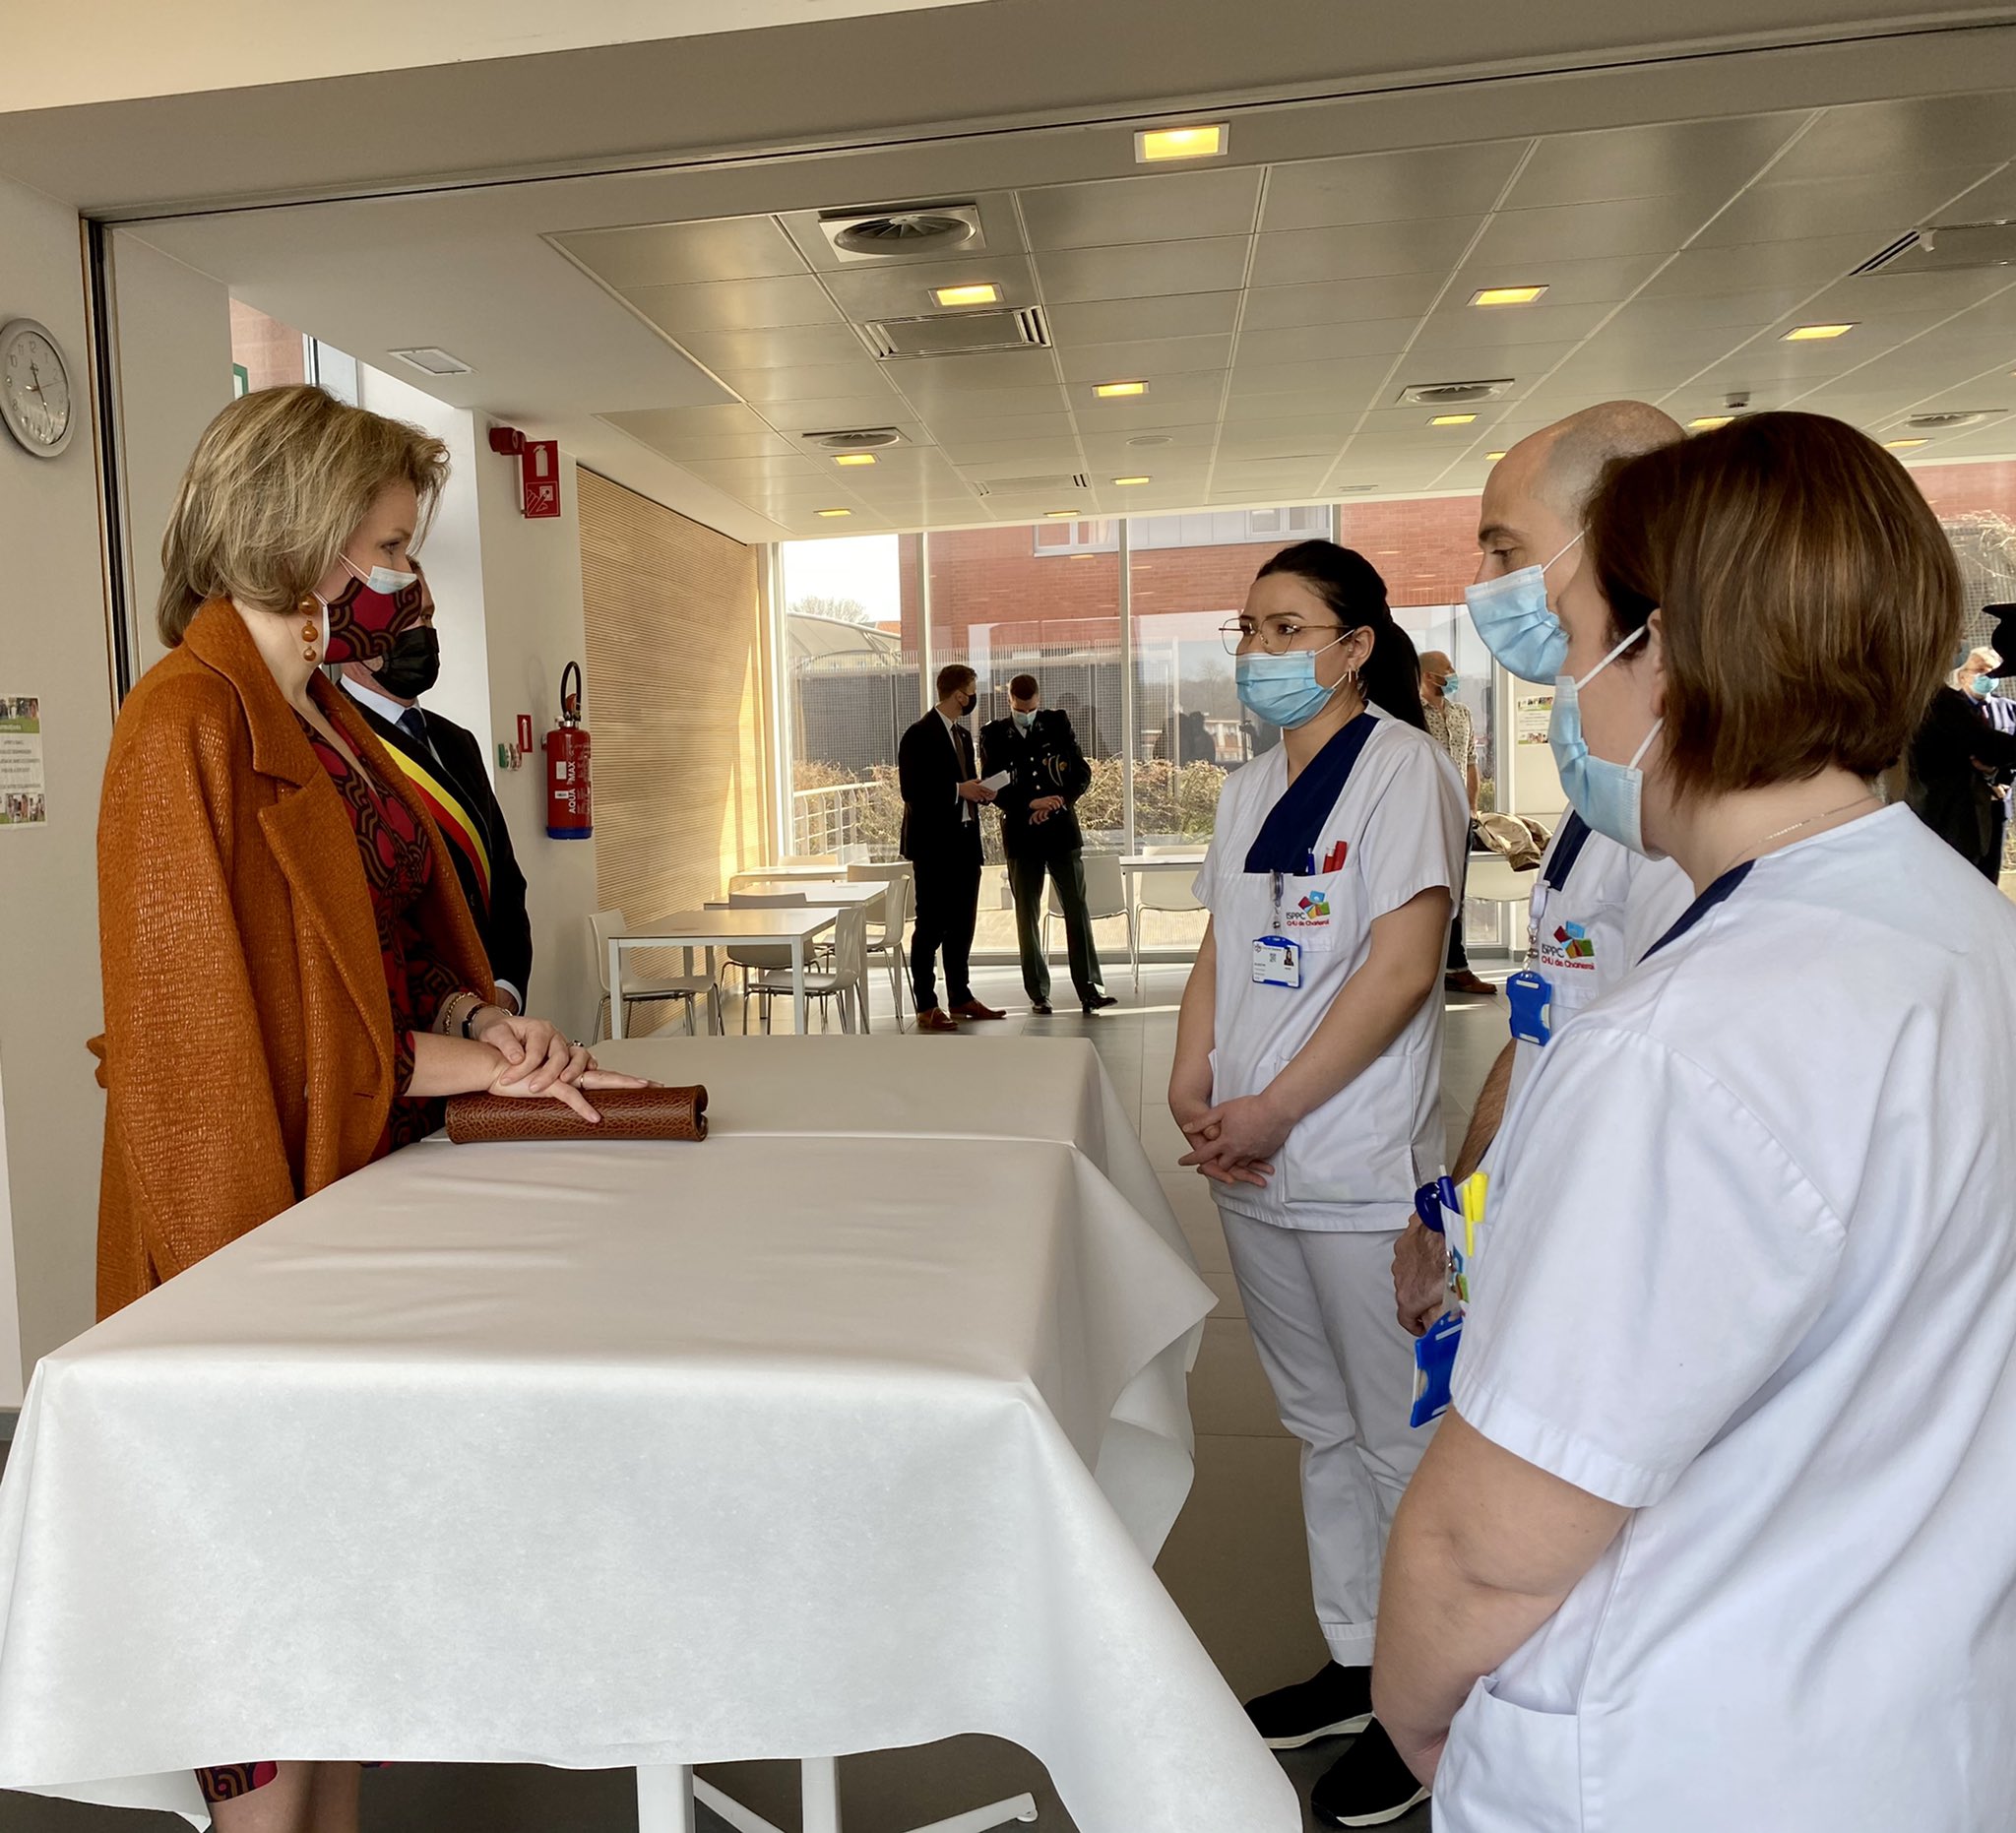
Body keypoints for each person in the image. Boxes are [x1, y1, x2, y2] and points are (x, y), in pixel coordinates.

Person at [1373, 411, 2016, 1830]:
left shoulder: (1689, 1041)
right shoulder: (1961, 930)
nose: (1562, 695)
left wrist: (1422, 1719)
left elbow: (1492, 1543)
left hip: (1680, 1753)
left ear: (1661, 650)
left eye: (1574, 629)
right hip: (1912, 1724)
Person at [93, 384, 645, 1833]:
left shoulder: (326, 713)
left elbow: (393, 946)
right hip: (249, 1254)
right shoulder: (184, 721)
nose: (401, 581)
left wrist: (475, 1017)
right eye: (387, 549)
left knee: (337, 1663)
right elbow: (208, 1058)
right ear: (299, 535)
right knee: (264, 1706)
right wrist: (446, 1065)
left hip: (357, 1215)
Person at [1169, 540, 1466, 1827]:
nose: (1258, 651)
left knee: (1401, 1438)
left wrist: (1276, 1109)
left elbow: (1400, 968)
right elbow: (1222, 948)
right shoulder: (1246, 790)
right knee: (1317, 1423)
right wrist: (1194, 1079)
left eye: (1288, 626)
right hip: (1251, 1160)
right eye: (1248, 628)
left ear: (1354, 646)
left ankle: (1424, 1706)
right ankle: (1353, 1658)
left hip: (1349, 1164)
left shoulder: (1407, 771)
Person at [1392, 403, 1694, 1337]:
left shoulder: (1699, 845)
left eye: (1505, 549)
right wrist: (1459, 1201)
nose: (1483, 583)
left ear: (1619, 542)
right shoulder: (1603, 782)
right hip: (1533, 1250)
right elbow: (1544, 1021)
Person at [339, 568, 534, 1013]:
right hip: (415, 1021)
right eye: (405, 617)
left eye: (426, 616)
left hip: (493, 1015)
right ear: (352, 632)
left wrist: (506, 988)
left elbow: (504, 880)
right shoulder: (333, 741)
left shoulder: (456, 742)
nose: (421, 632)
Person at [979, 673, 1118, 1016]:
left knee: (1076, 908)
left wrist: (1058, 800)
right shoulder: (994, 734)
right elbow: (992, 785)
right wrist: (1030, 804)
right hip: (1022, 833)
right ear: (1010, 700)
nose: (1027, 712)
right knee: (1027, 914)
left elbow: (1080, 772)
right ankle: (1038, 992)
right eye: (1020, 707)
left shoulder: (1057, 723)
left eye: (1032, 707)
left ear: (1039, 699)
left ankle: (1090, 989)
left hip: (1060, 830)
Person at [899, 663, 1003, 1032]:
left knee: (962, 925)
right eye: (972, 690)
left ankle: (960, 996)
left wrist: (979, 791)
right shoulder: (918, 735)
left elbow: (963, 785)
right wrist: (960, 790)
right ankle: (926, 1005)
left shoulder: (962, 736)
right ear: (960, 694)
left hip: (964, 843)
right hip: (932, 848)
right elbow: (912, 792)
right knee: (930, 927)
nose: (974, 697)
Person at [1418, 651, 1494, 997]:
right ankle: (1426, 966)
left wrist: (1472, 807)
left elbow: (1470, 764)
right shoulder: (1411, 716)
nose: (1453, 673)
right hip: (1422, 818)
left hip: (1459, 818)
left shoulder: (1462, 713)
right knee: (1427, 891)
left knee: (1457, 894)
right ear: (1428, 675)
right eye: (1447, 669)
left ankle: (1456, 967)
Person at [1905, 646, 2016, 880]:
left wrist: (1996, 774)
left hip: (1990, 809)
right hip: (1948, 812)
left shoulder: (2007, 708)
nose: (1958, 645)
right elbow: (1985, 744)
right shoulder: (1938, 700)